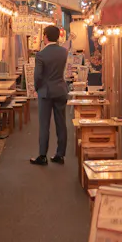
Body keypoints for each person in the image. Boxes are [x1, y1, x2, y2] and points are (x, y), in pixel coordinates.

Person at [30, 24, 68, 166]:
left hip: (45, 92)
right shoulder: (63, 52)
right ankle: (60, 154)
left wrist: (37, 88)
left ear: (45, 36)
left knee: (44, 124)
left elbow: (38, 76)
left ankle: (42, 155)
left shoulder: (41, 54)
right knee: (61, 123)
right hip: (60, 90)